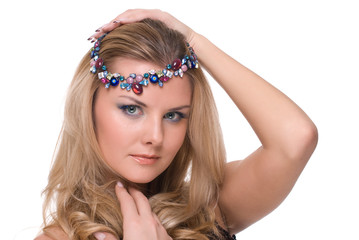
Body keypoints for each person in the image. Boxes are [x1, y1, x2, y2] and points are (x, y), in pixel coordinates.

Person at [35, 9, 318, 240]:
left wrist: (193, 40)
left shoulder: (207, 207)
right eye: (132, 109)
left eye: (173, 115)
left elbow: (295, 138)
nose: (155, 137)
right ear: (88, 108)